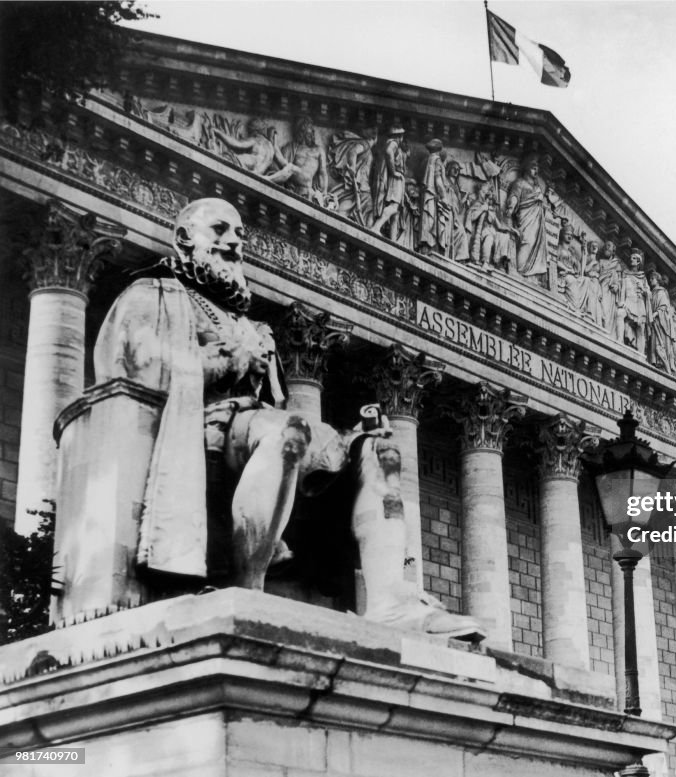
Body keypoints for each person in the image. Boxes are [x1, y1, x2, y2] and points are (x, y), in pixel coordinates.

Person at [93, 198, 484, 641]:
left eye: (239, 235)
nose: (233, 242)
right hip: (192, 430)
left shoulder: (249, 324)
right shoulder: (153, 295)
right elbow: (136, 365)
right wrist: (226, 361)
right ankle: (248, 586)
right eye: (220, 230)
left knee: (380, 452)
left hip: (257, 430)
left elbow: (274, 404)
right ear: (184, 238)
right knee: (289, 431)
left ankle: (392, 603)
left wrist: (349, 437)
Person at [504, 154, 550, 279]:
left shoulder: (537, 187)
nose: (536, 170)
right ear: (526, 167)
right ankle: (520, 270)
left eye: (537, 168)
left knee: (535, 244)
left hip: (537, 221)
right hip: (525, 218)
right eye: (533, 167)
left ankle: (530, 274)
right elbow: (514, 196)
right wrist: (511, 207)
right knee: (527, 241)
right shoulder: (520, 183)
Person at [275, 116, 329, 202]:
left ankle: (274, 146)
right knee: (288, 167)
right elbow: (282, 167)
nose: (313, 131)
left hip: (308, 184)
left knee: (290, 167)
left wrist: (324, 193)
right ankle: (274, 145)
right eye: (310, 127)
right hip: (295, 185)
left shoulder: (318, 150)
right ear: (302, 130)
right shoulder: (290, 147)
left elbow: (322, 173)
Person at [213, 117, 287, 177]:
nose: (249, 134)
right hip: (254, 173)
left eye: (249, 131)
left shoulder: (257, 140)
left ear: (255, 131)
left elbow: (236, 144)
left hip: (237, 162)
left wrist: (217, 132)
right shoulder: (271, 149)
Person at [371, 125, 409, 238]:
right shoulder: (393, 143)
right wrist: (393, 172)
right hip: (396, 180)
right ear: (399, 136)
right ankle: (376, 227)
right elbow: (388, 152)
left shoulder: (396, 146)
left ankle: (393, 240)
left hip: (398, 179)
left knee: (396, 212)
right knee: (393, 206)